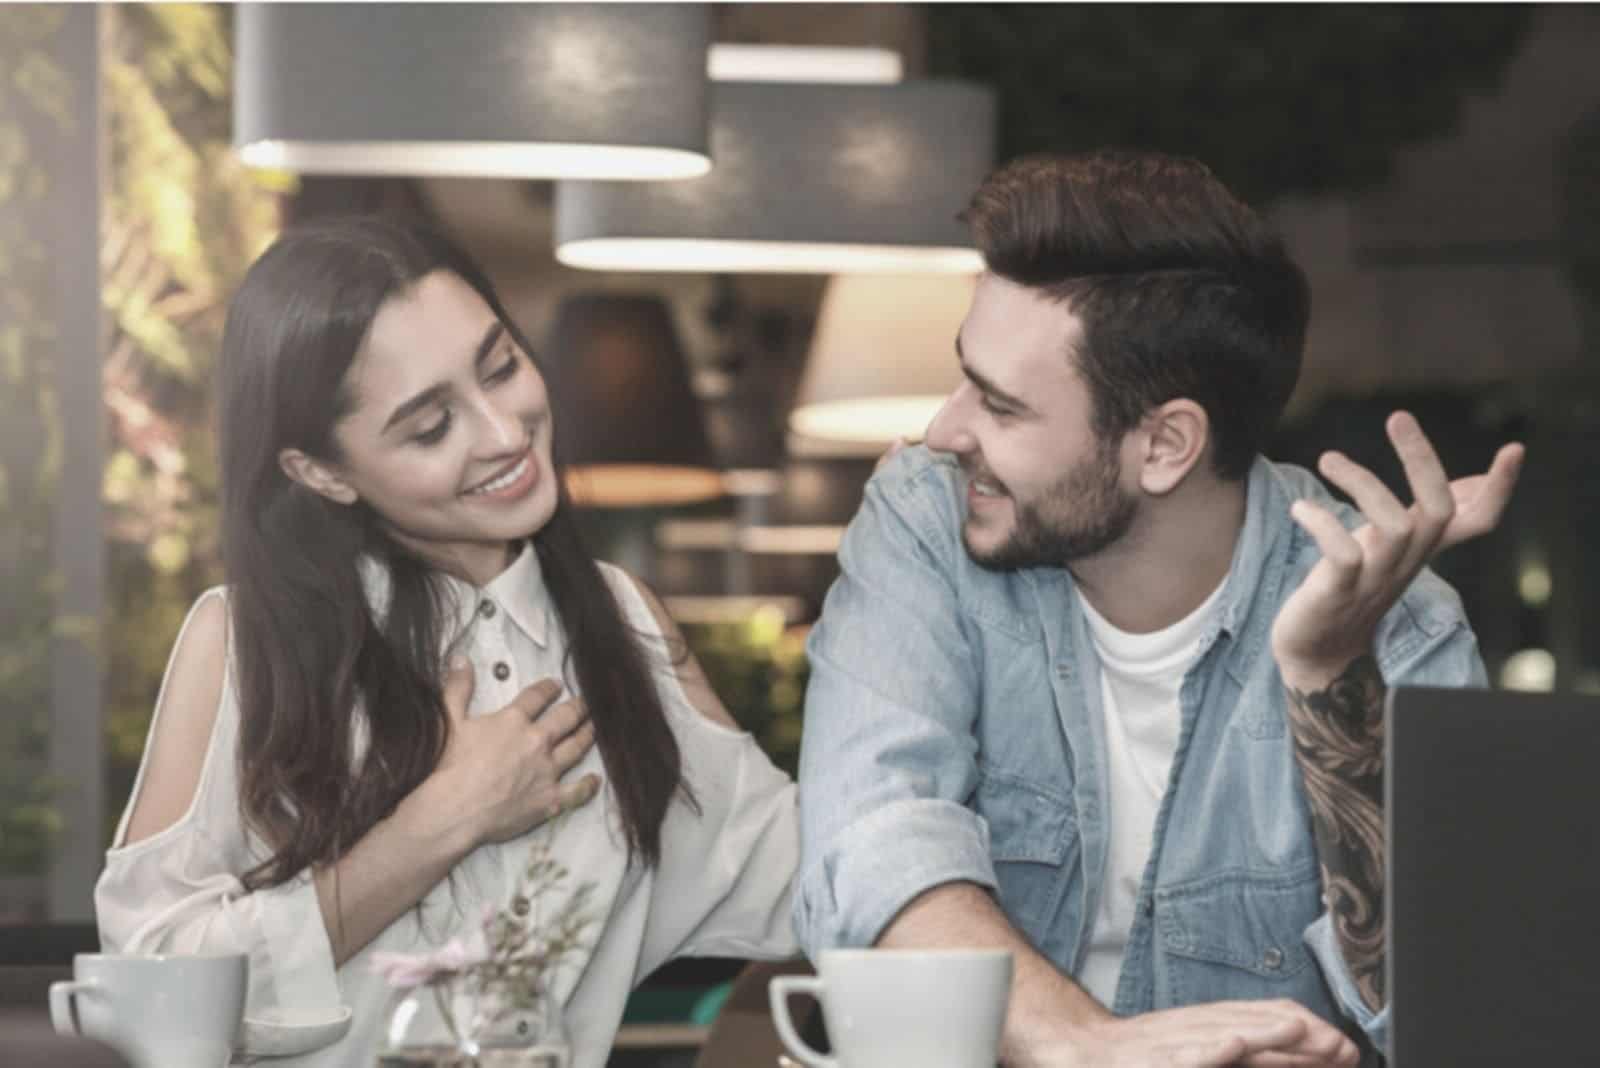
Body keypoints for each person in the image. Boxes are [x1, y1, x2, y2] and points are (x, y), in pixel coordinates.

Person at [794, 150, 1523, 1068]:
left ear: (1166, 445)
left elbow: (1461, 1016)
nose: (945, 430)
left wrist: (1332, 687)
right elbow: (872, 842)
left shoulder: (1398, 617)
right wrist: (1094, 1048)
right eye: (963, 379)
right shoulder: (926, 522)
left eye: (1001, 406)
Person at [95, 218, 798, 1068]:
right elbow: (146, 992)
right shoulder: (244, 641)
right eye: (431, 427)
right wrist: (437, 824)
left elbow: (804, 884)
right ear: (322, 472)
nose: (504, 434)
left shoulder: (622, 623)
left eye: (501, 367)